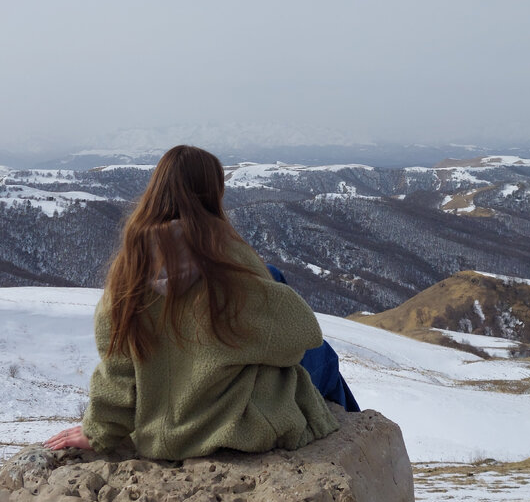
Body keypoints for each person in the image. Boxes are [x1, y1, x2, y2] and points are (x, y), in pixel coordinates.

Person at [45, 145, 340, 459]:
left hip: (158, 433)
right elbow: (302, 337)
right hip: (230, 422)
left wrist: (98, 430)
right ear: (212, 194)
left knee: (273, 277)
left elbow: (118, 371)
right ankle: (356, 425)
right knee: (325, 359)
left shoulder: (126, 274)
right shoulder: (227, 260)